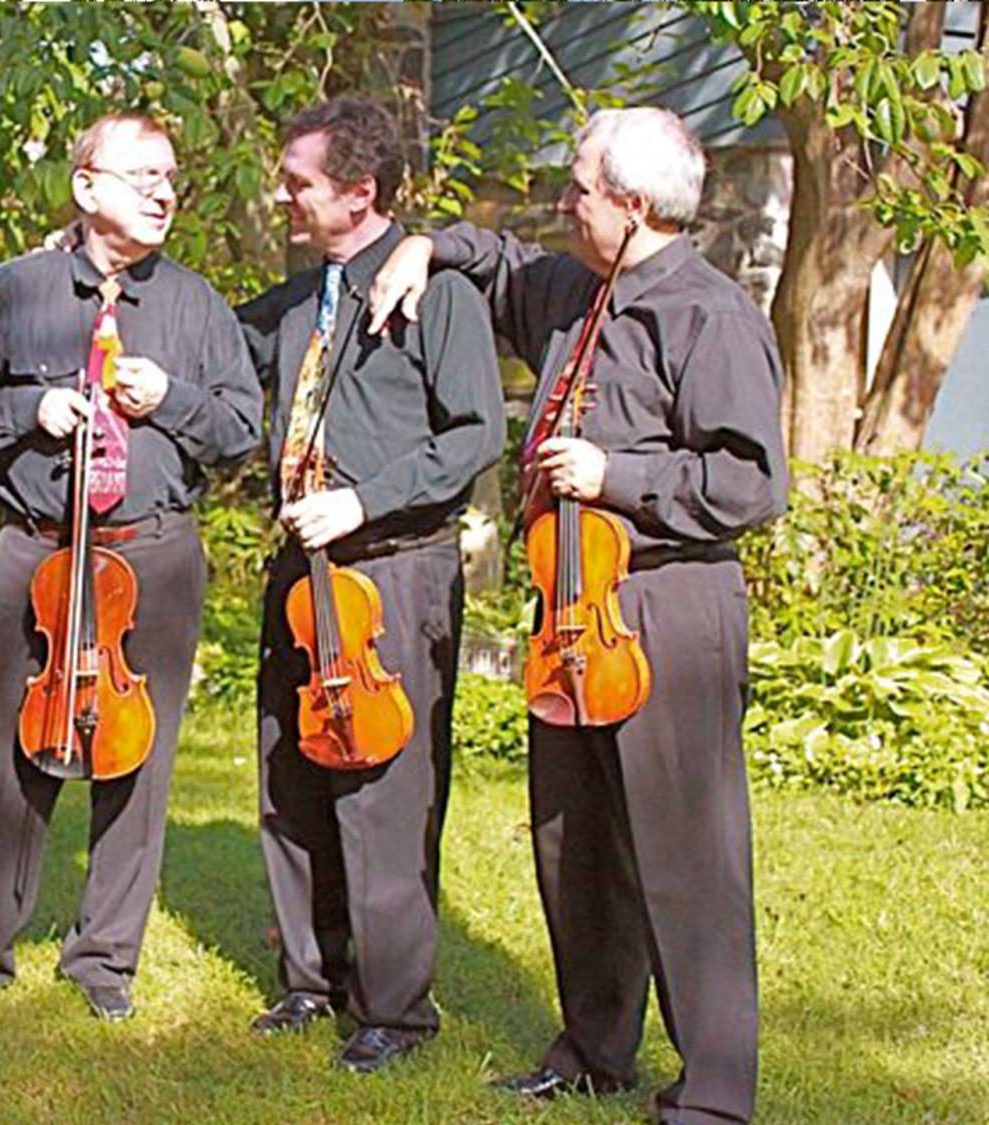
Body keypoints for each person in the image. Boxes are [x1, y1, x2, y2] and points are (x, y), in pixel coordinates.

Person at [370, 106, 788, 1123]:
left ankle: (717, 1091)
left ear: (634, 205)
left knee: (688, 854)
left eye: (581, 189)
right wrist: (425, 243)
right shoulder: (574, 292)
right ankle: (595, 1049)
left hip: (666, 604)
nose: (566, 203)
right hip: (572, 615)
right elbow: (499, 259)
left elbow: (752, 483)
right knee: (575, 839)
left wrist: (620, 474)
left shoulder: (710, 315)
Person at [0, 113, 262, 1022]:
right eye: (142, 174)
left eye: (171, 177)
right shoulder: (12, 292)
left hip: (151, 552)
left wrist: (174, 398)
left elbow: (242, 427)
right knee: (8, 756)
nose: (164, 192)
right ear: (84, 186)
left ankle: (104, 959)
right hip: (35, 548)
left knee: (136, 757)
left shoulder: (196, 305)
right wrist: (30, 409)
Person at [236, 96, 504, 1074]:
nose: (284, 195)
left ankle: (394, 1008)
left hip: (394, 567)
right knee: (293, 775)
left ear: (361, 191)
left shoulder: (442, 296)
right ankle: (313, 979)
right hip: (301, 572)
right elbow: (217, 350)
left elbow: (477, 433)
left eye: (300, 182)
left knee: (386, 793)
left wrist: (363, 504)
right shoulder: (304, 295)